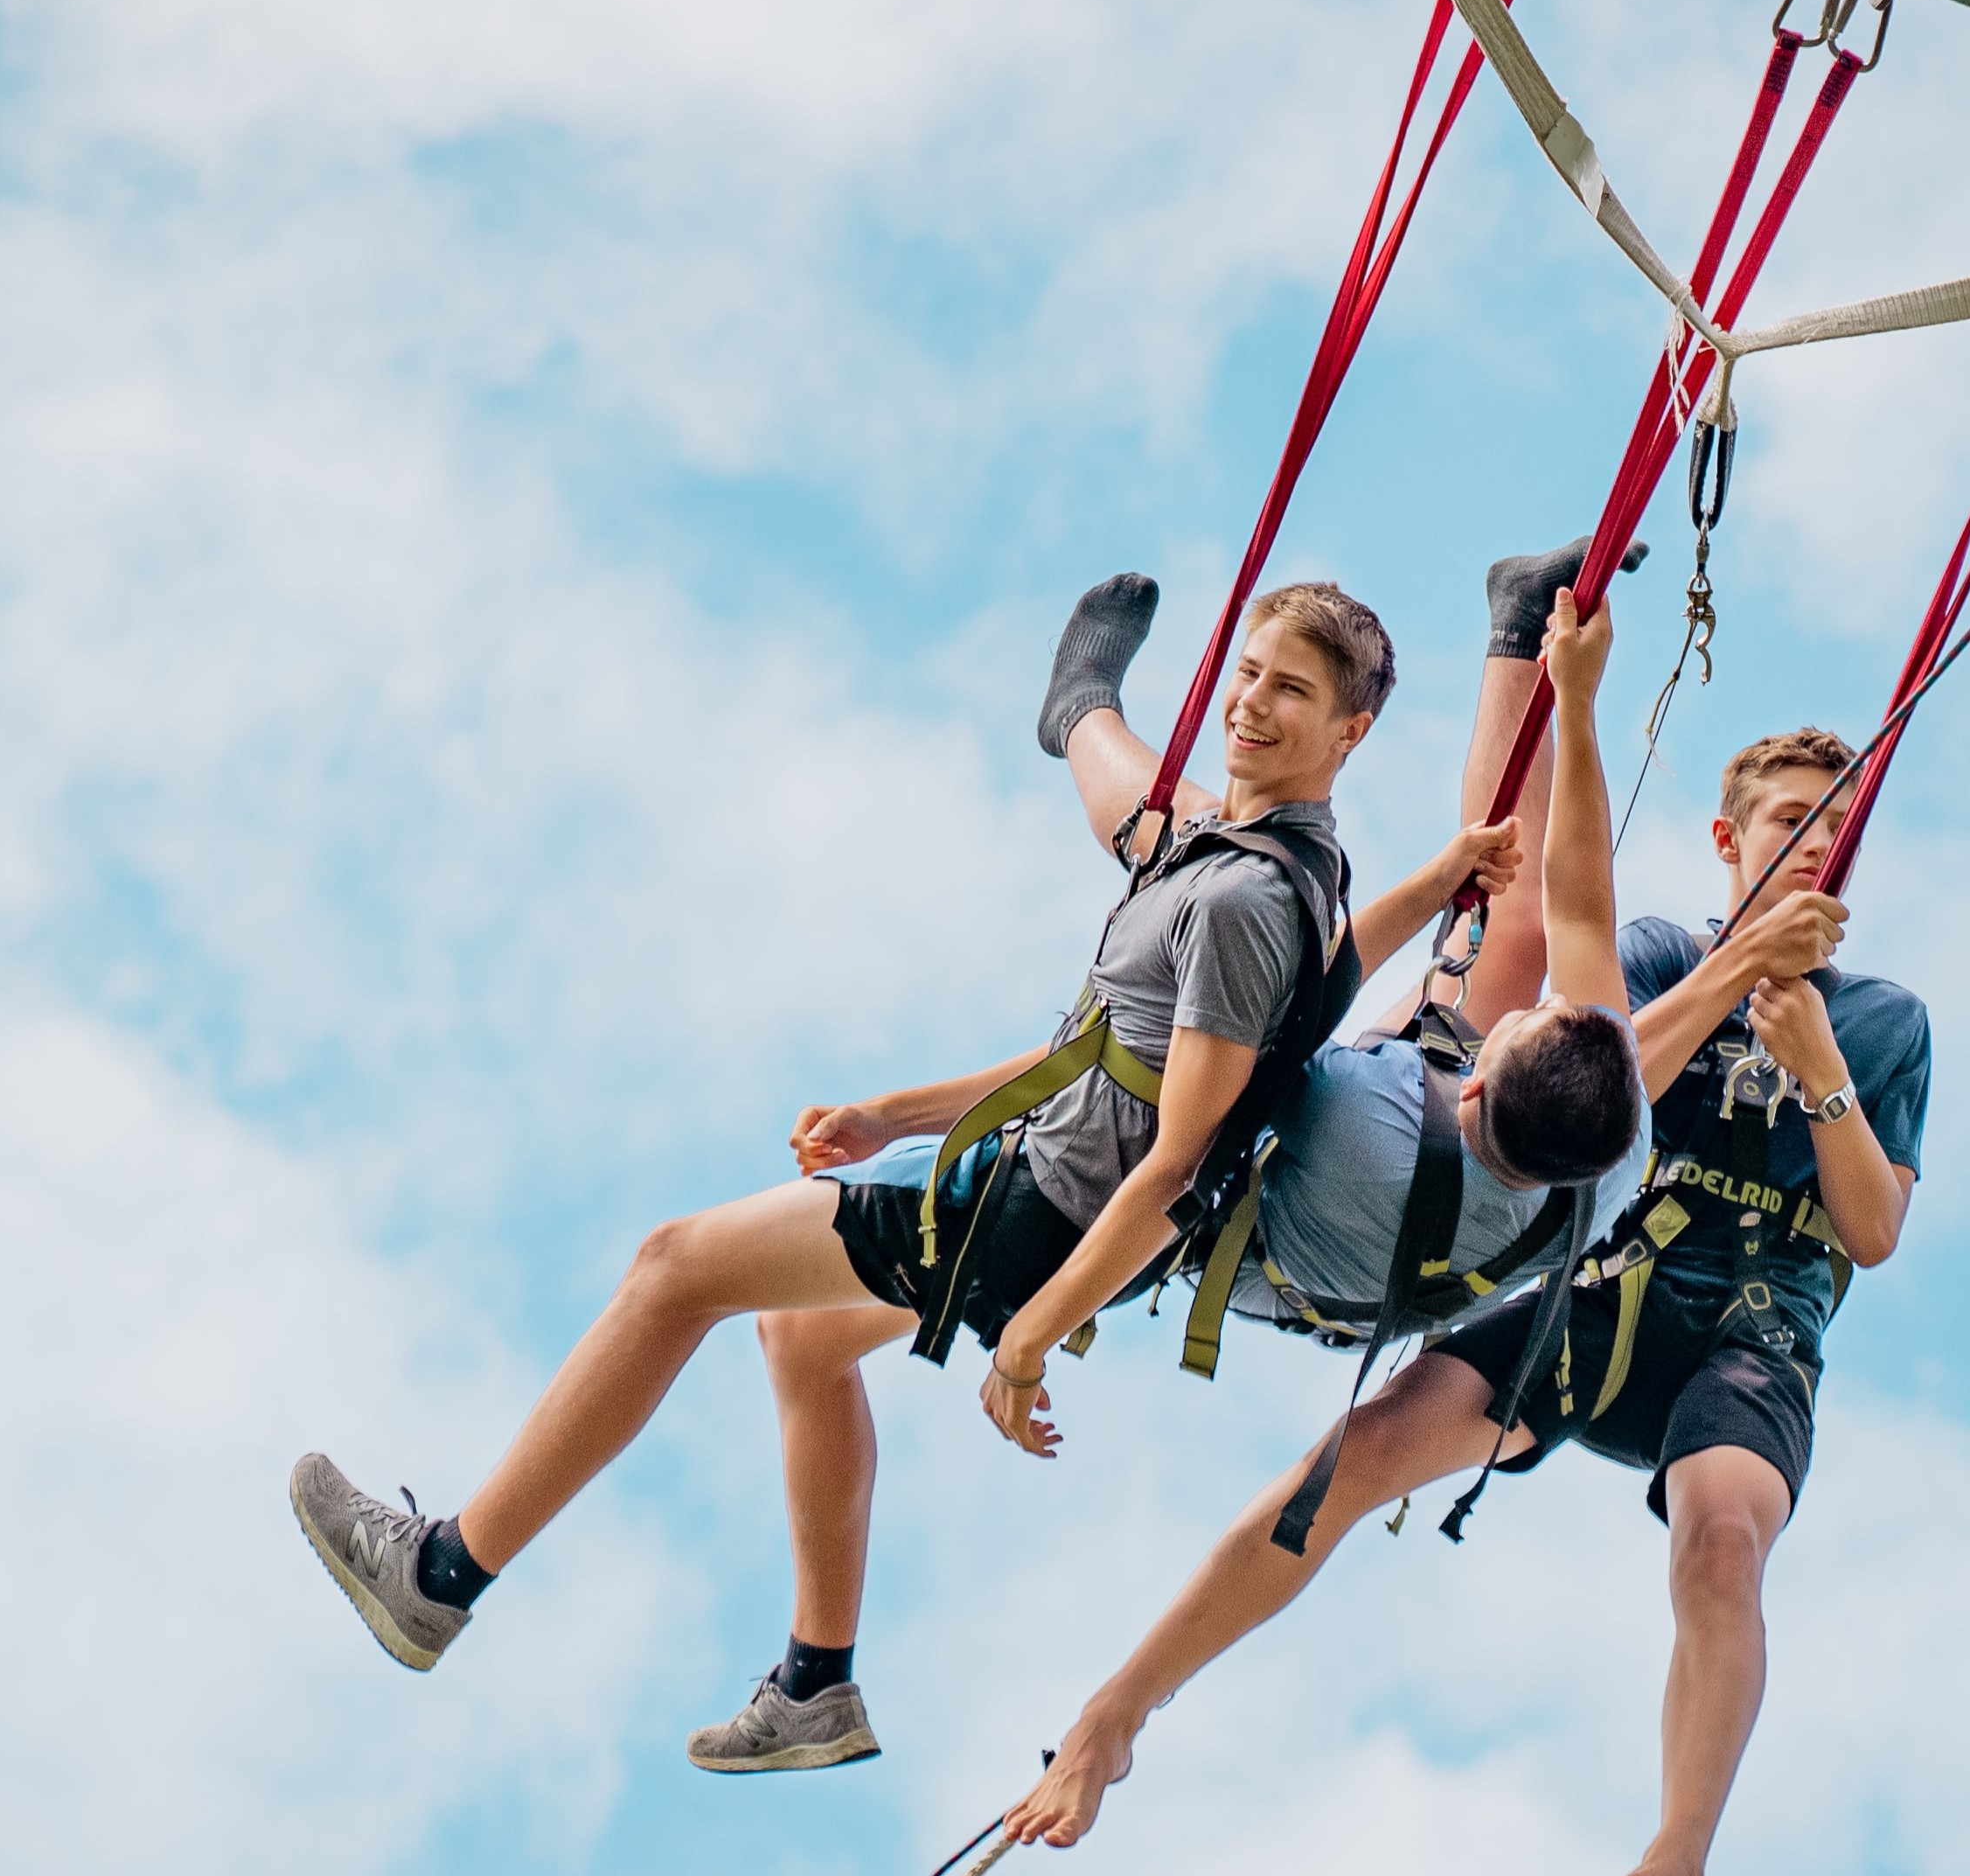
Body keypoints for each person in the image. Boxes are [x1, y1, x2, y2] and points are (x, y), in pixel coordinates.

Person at [291, 556, 1643, 1741]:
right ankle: (816, 1684)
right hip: (1029, 1170)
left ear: (1348, 731)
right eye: (1243, 672)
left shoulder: (1240, 897)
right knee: (801, 1340)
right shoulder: (1290, 868)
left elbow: (1170, 1163)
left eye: (1285, 689)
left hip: (1028, 1215)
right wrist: (898, 1115)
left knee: (672, 1270)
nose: (1246, 701)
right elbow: (1109, 1054)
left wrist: (1028, 1341)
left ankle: (440, 1578)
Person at [700, 540, 1655, 1773]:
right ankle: (1516, 622)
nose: (1519, 1012)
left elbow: (1237, 1067)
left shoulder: (1346, 1130)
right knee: (1499, 925)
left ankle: (1078, 720)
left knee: (1194, 849)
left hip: (1206, 1207)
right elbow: (1574, 901)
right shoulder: (1610, 1130)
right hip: (1401, 1180)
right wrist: (1557, 702)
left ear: (1470, 1076)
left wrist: (1024, 1327)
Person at [996, 726, 1925, 1876]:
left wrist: (1820, 1070)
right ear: (1729, 839)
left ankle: (1674, 1863)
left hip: (1749, 1332)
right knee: (1352, 1458)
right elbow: (1591, 1066)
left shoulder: (1885, 1023)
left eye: (1836, 828)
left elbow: (1871, 1232)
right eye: (1791, 821)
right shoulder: (1661, 956)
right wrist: (1735, 971)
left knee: (1720, 1550)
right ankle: (1115, 1716)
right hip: (1597, 1295)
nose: (1814, 845)